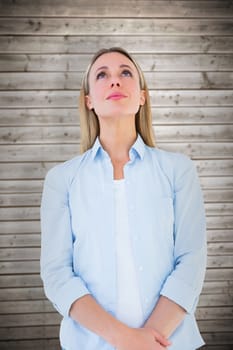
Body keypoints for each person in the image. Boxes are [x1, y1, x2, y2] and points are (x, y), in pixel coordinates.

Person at [40, 47, 207, 350]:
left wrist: (150, 340)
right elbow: (57, 274)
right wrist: (125, 339)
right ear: (89, 100)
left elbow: (191, 260)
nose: (114, 81)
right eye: (102, 75)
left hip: (171, 343)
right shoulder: (61, 180)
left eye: (125, 73)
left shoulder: (178, 170)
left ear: (142, 96)